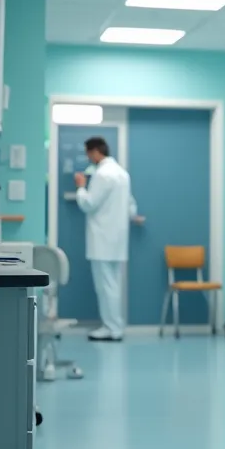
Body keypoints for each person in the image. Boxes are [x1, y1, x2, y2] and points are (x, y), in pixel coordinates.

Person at [75, 136, 138, 342]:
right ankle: (114, 326)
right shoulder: (122, 173)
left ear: (94, 152)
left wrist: (81, 187)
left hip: (102, 238)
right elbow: (130, 203)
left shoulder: (102, 174)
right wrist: (133, 215)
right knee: (114, 284)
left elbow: (89, 204)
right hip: (118, 239)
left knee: (105, 285)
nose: (88, 158)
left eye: (88, 154)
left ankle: (112, 328)